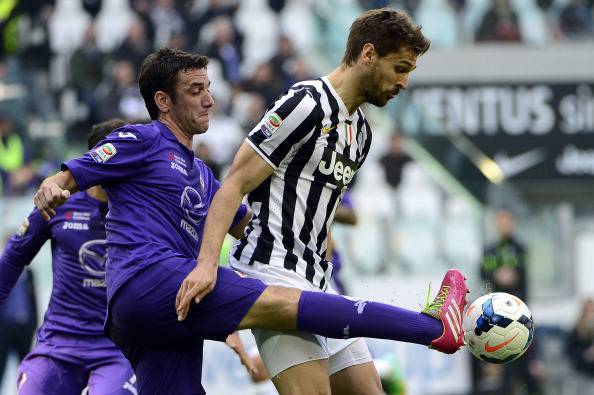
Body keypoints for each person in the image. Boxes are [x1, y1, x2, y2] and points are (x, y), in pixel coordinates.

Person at [35, 46, 467, 395]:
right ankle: (429, 327)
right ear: (163, 101)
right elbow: (75, 173)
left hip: (166, 313)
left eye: (209, 87)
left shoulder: (201, 174)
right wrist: (55, 185)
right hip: (149, 278)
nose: (209, 99)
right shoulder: (143, 138)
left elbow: (248, 224)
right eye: (195, 89)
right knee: (283, 304)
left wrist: (310, 233)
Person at [177, 9, 468, 395]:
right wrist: (207, 264)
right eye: (400, 67)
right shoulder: (305, 103)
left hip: (318, 282)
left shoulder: (361, 132)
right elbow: (234, 184)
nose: (405, 82)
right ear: (368, 54)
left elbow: (322, 210)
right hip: (273, 272)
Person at [0, 119, 138, 394]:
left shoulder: (143, 211)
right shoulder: (59, 204)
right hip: (58, 344)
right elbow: (13, 258)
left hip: (116, 349)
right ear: (93, 162)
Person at [475, 208, 542, 395]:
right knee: (506, 360)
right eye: (501, 221)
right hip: (495, 313)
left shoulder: (520, 248)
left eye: (507, 221)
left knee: (520, 358)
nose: (504, 224)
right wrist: (497, 275)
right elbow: (483, 275)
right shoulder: (490, 249)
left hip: (516, 311)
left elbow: (523, 278)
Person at [0, 267, 37, 391]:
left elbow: (33, 299)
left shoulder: (29, 273)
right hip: (5, 328)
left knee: (26, 370)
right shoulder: (3, 270)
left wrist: (34, 324)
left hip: (25, 328)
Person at [566, 299, 594, 395]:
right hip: (582, 372)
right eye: (589, 312)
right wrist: (585, 354)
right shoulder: (577, 330)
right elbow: (570, 351)